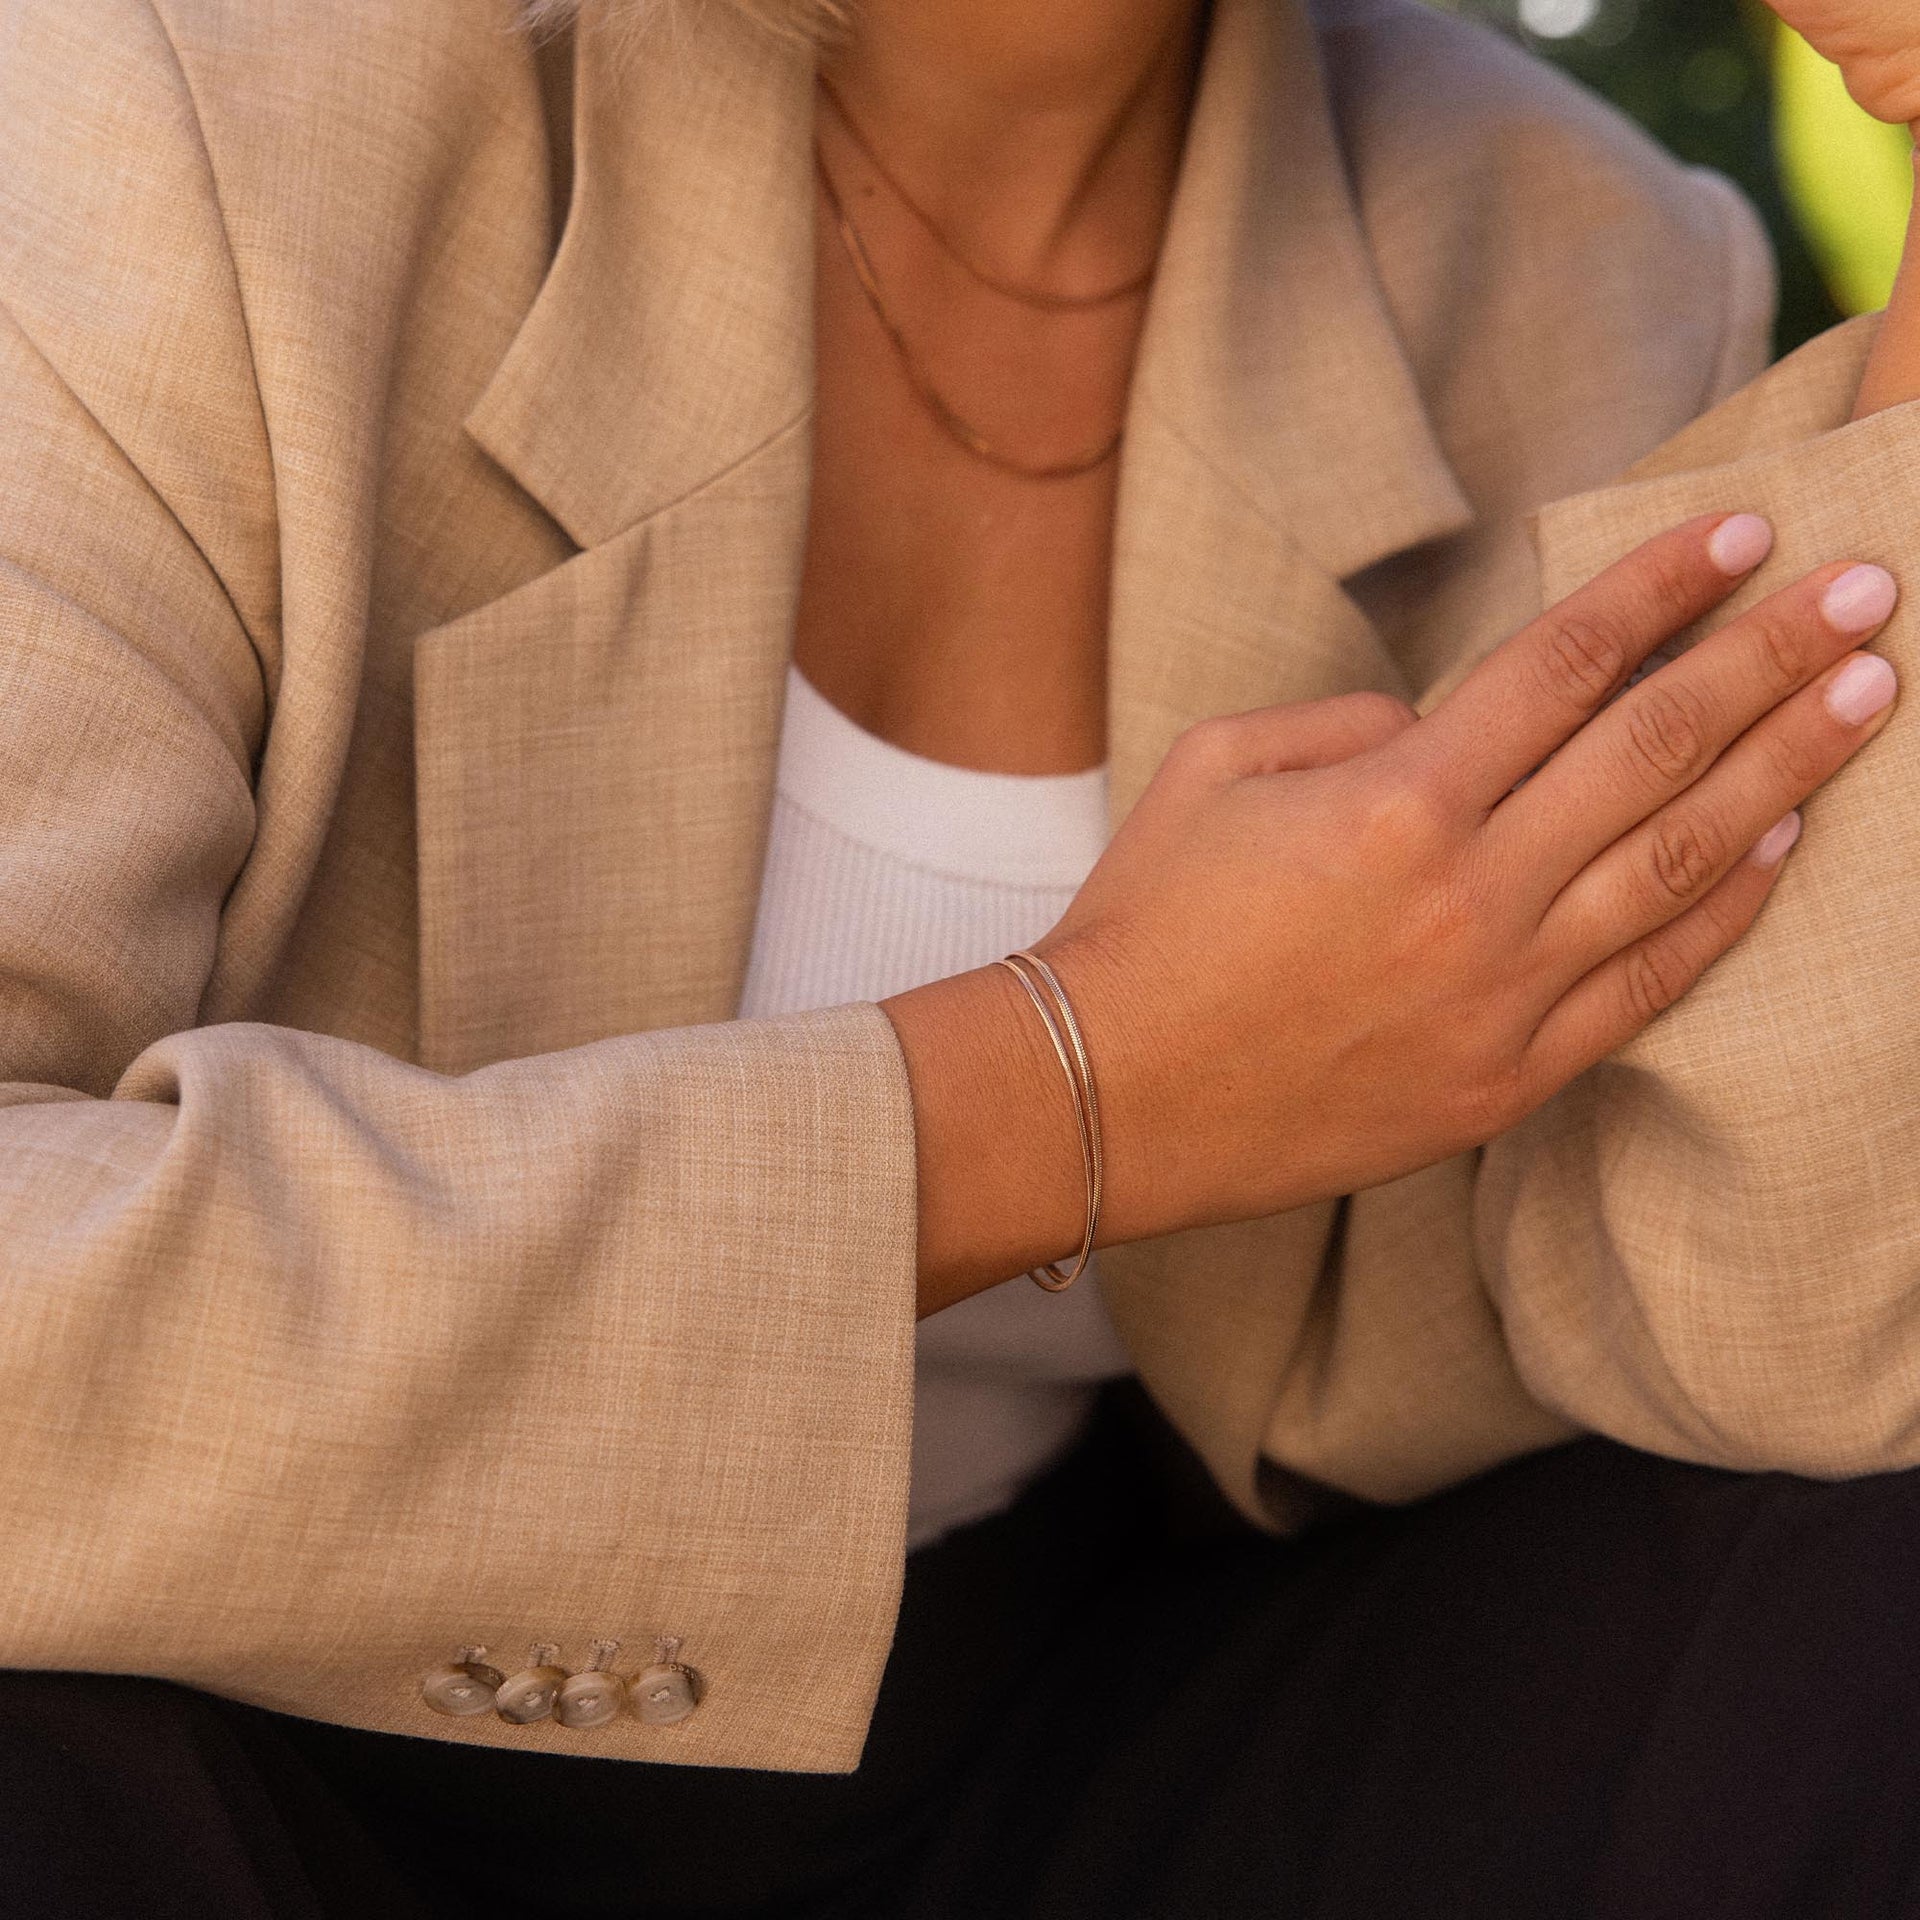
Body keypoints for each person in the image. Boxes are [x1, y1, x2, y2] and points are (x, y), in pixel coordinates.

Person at [3, 0, 1920, 1911]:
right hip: (214, 1720)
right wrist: (1065, 1090)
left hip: (1091, 1705)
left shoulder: (1575, 245)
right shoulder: (178, 102)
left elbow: (1786, 1359)